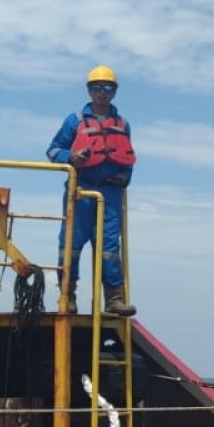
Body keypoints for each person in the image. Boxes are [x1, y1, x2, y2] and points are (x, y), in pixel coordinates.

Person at [46, 65, 137, 316]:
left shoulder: (123, 123)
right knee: (70, 244)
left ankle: (114, 300)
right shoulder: (74, 120)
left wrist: (124, 178)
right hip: (80, 191)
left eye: (108, 88)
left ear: (115, 92)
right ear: (89, 90)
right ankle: (67, 296)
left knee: (109, 247)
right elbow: (53, 151)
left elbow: (128, 158)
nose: (102, 93)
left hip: (110, 194)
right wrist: (72, 157)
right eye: (97, 87)